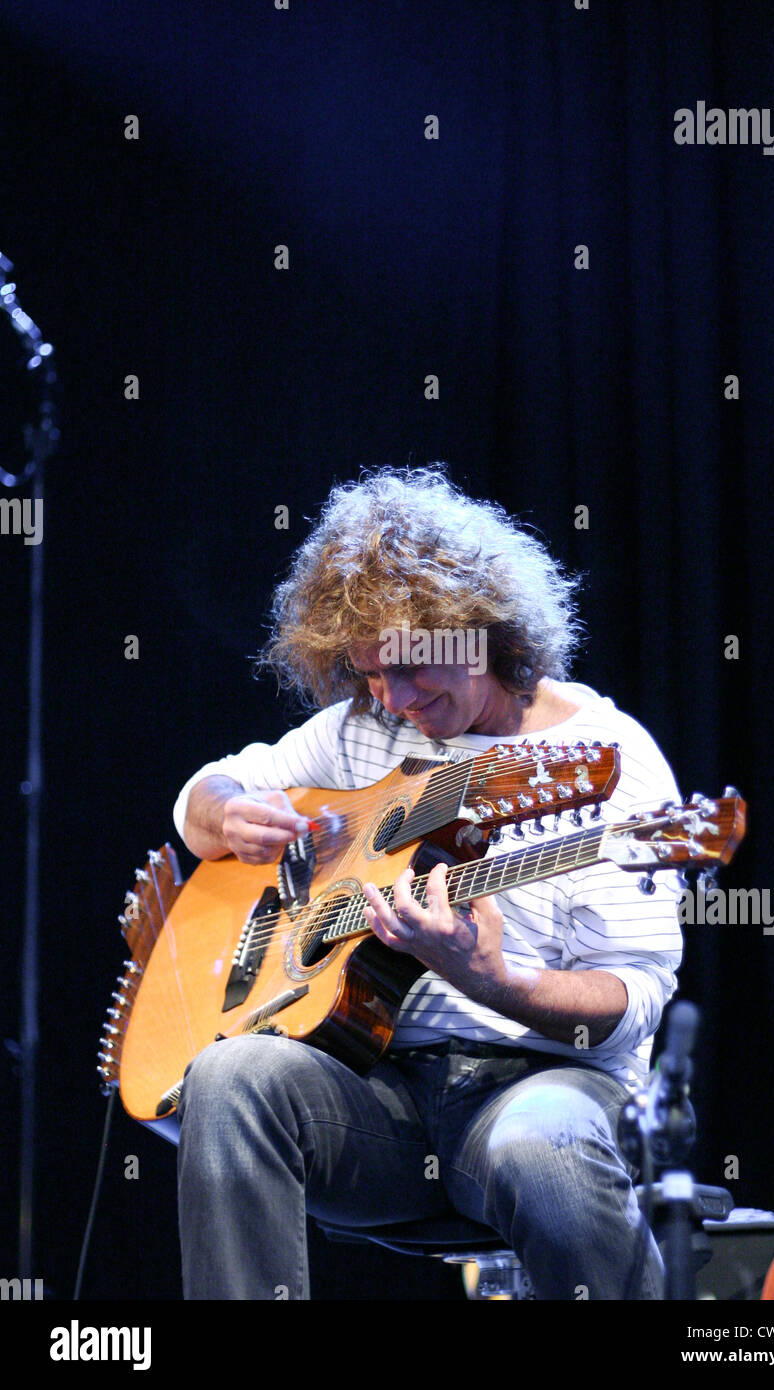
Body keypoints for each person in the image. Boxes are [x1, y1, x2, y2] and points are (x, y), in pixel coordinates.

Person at [172, 466, 683, 1300]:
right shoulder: (357, 732)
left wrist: (495, 979)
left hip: (543, 1090)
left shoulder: (609, 759)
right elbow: (199, 797)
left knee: (540, 1147)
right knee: (227, 1079)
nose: (395, 699)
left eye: (413, 669)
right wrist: (227, 814)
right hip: (378, 1103)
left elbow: (635, 1002)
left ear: (479, 631)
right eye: (370, 674)